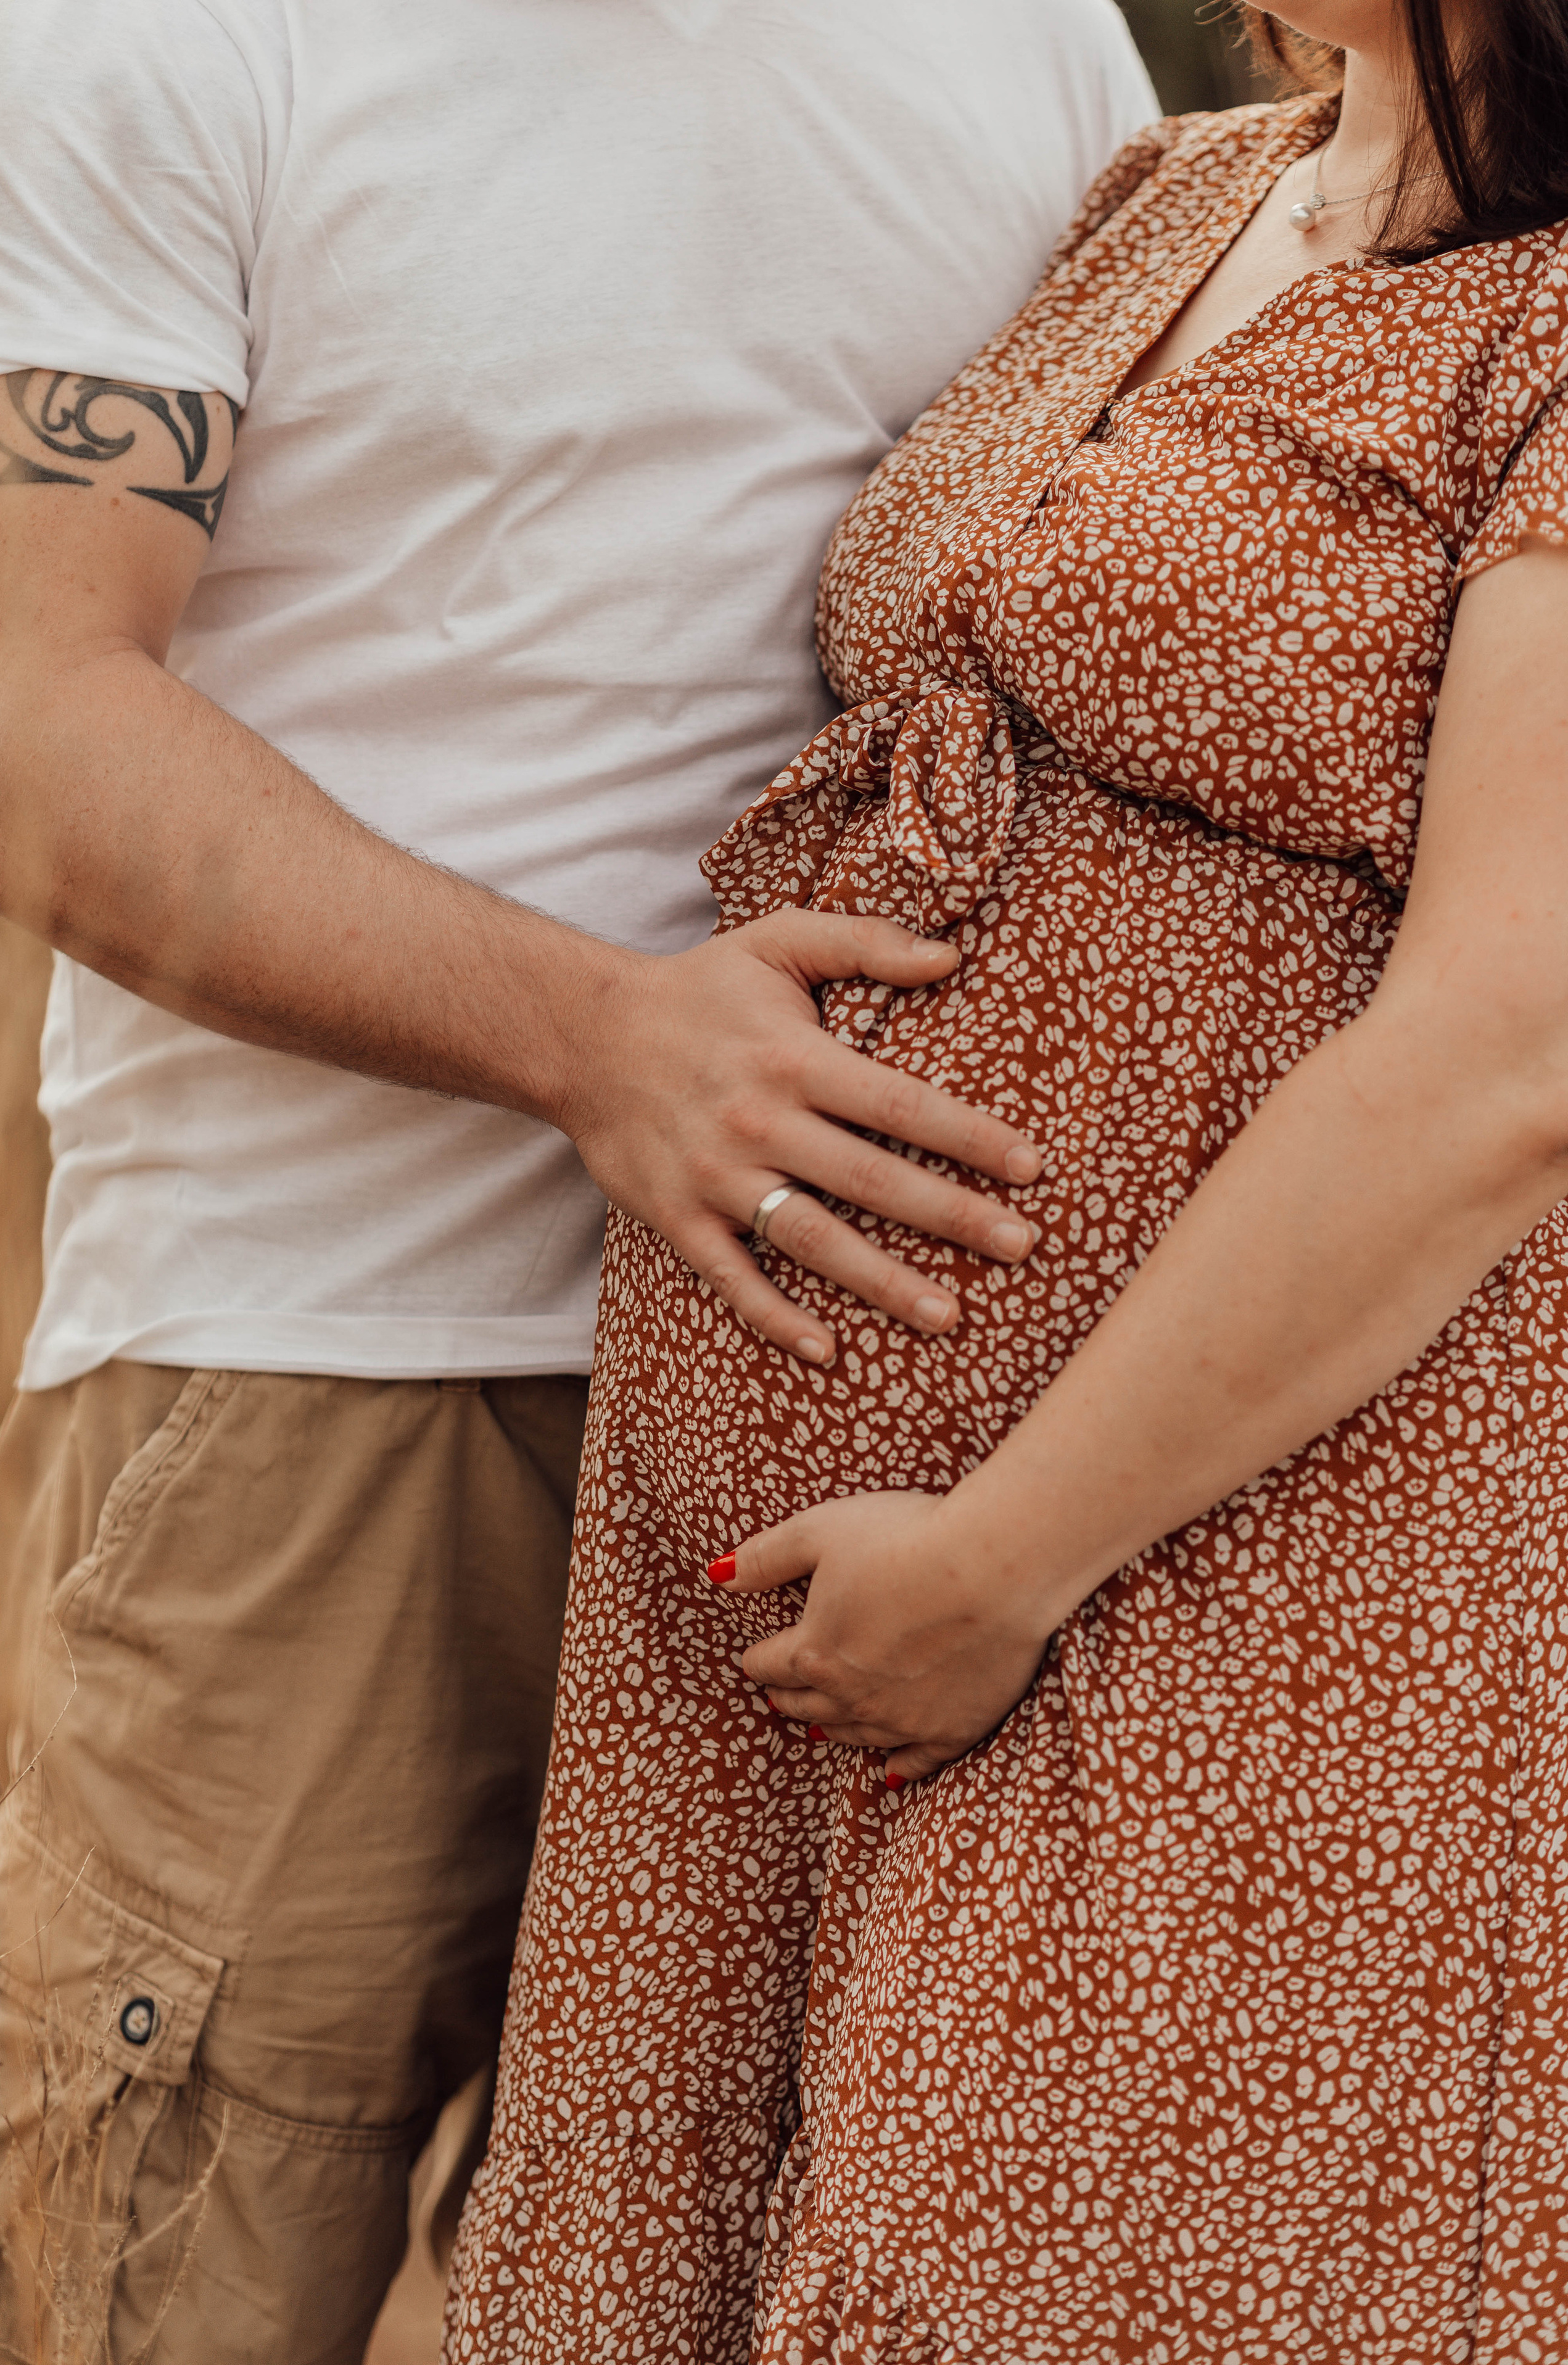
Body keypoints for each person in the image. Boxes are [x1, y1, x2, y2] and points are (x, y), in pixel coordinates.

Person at [0, 2, 1157, 2356]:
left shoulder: (1026, 36)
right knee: (186, 2296)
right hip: (336, 1371)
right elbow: (28, 714)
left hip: (895, 1415)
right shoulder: (159, 38)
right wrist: (595, 1038)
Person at [444, 0, 1568, 2356]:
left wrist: (1010, 1545)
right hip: (762, 1594)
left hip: (1229, 1554)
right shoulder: (1174, 185)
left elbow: (1511, 1046)